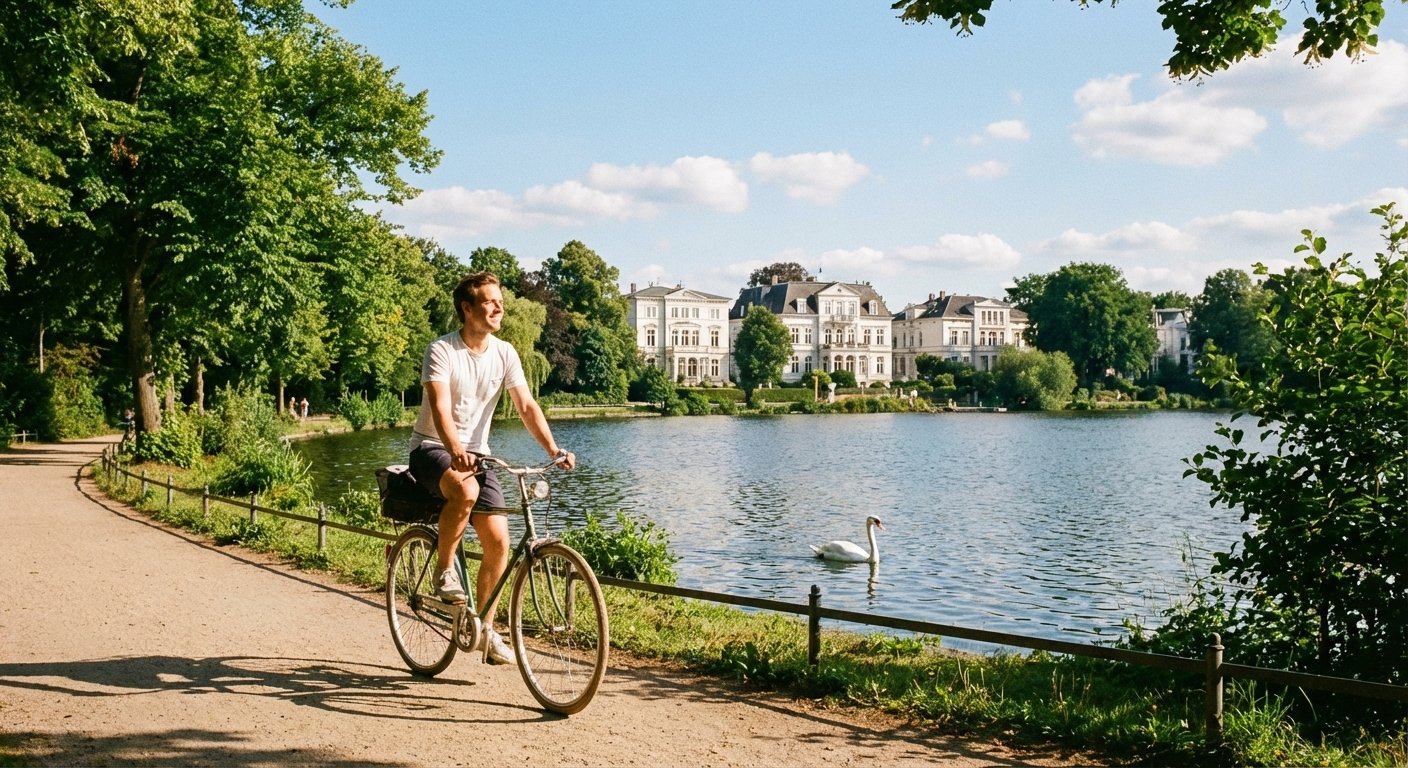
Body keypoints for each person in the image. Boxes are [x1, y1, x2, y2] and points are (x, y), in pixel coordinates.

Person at [408, 271, 575, 666]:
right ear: (467, 309)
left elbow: (526, 406)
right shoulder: (442, 351)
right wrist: (455, 450)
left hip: (478, 456)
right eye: (489, 301)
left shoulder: (505, 353)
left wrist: (553, 449)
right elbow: (440, 408)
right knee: (464, 492)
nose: (499, 307)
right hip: (433, 448)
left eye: (500, 300)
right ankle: (445, 570)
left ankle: (484, 629)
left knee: (500, 542)